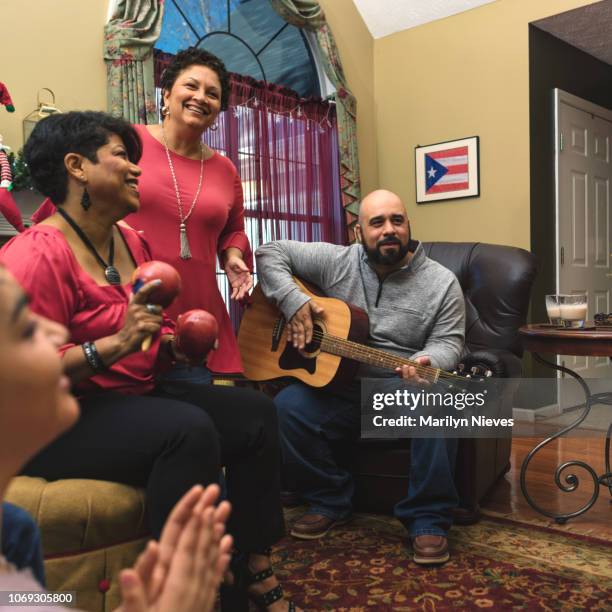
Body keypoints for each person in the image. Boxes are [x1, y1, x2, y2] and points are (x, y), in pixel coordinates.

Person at [1, 111, 295, 611]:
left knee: (255, 414)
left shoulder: (131, 240)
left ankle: (251, 558)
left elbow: (144, 325)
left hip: (128, 396)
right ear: (77, 166)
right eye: (121, 157)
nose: (137, 170)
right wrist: (112, 346)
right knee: (186, 429)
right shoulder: (37, 253)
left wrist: (172, 343)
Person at [0, 262, 233, 612]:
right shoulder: (38, 254)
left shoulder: (15, 533)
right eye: (28, 324)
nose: (55, 330)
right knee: (191, 433)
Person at [255, 189, 466, 565]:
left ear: (408, 226)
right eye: (377, 223)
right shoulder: (337, 261)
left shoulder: (442, 282)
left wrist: (427, 359)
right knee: (286, 407)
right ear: (358, 232)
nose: (389, 230)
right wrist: (294, 302)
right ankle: (329, 498)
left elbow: (450, 341)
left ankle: (428, 519)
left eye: (397, 221)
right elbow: (269, 251)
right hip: (339, 389)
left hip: (400, 390)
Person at [125, 47, 253, 384]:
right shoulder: (128, 142)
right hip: (134, 310)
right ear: (166, 93)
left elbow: (233, 230)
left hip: (201, 315)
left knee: (220, 426)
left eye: (213, 94)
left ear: (218, 111)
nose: (201, 97)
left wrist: (234, 255)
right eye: (191, 86)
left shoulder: (225, 168)